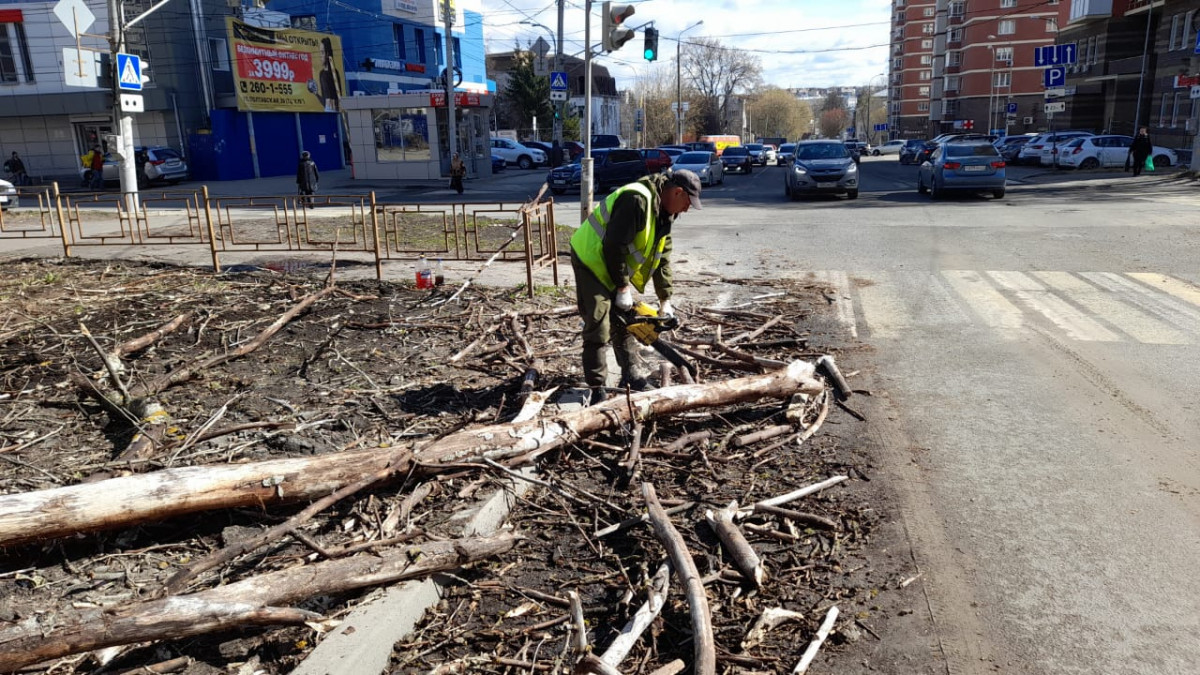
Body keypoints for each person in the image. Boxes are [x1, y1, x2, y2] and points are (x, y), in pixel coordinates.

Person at [569, 170, 702, 405]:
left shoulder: (665, 212)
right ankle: (598, 388)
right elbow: (613, 247)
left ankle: (631, 376)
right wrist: (622, 288)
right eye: (687, 203)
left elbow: (662, 257)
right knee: (599, 325)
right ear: (677, 192)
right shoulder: (636, 200)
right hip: (591, 260)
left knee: (625, 320)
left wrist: (665, 301)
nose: (687, 209)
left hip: (611, 264)